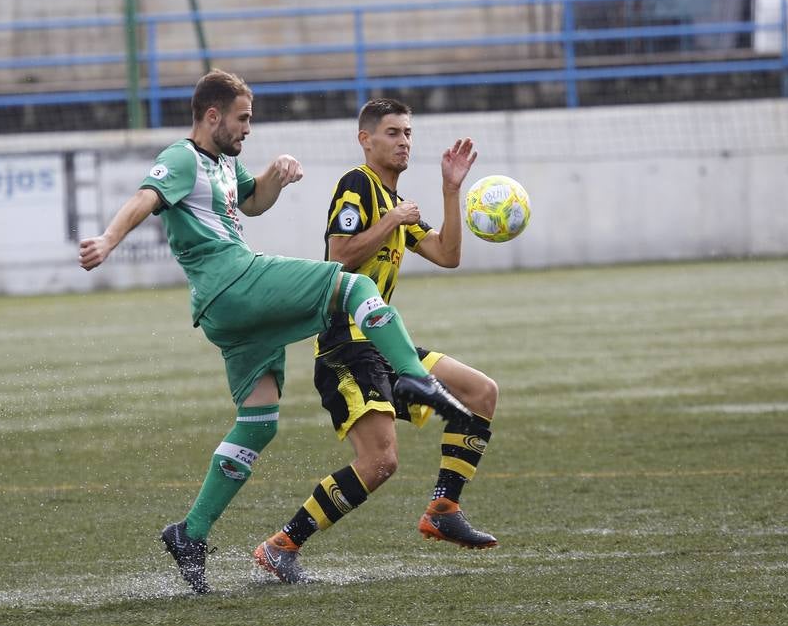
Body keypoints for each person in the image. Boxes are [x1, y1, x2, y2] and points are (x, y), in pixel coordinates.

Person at [78, 70, 470, 594]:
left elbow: (252, 202)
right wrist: (107, 239)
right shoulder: (181, 157)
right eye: (242, 118)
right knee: (350, 288)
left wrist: (274, 175)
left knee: (258, 421)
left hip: (225, 313)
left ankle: (190, 533)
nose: (248, 128)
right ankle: (411, 377)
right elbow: (146, 197)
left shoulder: (222, 163)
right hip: (235, 280)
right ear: (212, 115)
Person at [252, 99, 499, 585]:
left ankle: (444, 508)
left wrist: (451, 189)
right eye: (392, 132)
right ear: (366, 139)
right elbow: (338, 255)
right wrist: (393, 221)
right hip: (346, 346)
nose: (404, 141)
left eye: (408, 132)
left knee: (480, 393)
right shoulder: (357, 185)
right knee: (380, 462)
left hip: (385, 344)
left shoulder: (396, 204)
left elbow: (447, 255)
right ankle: (281, 545)